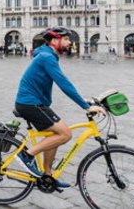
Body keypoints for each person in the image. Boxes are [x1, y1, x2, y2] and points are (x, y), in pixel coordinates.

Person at [13, 27, 106, 188]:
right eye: (67, 39)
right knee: (65, 134)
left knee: (54, 135)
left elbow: (63, 83)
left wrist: (84, 100)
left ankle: (47, 176)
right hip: (30, 104)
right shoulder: (47, 57)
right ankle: (25, 155)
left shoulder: (48, 55)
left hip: (34, 103)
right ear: (55, 41)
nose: (70, 42)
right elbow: (64, 83)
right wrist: (85, 106)